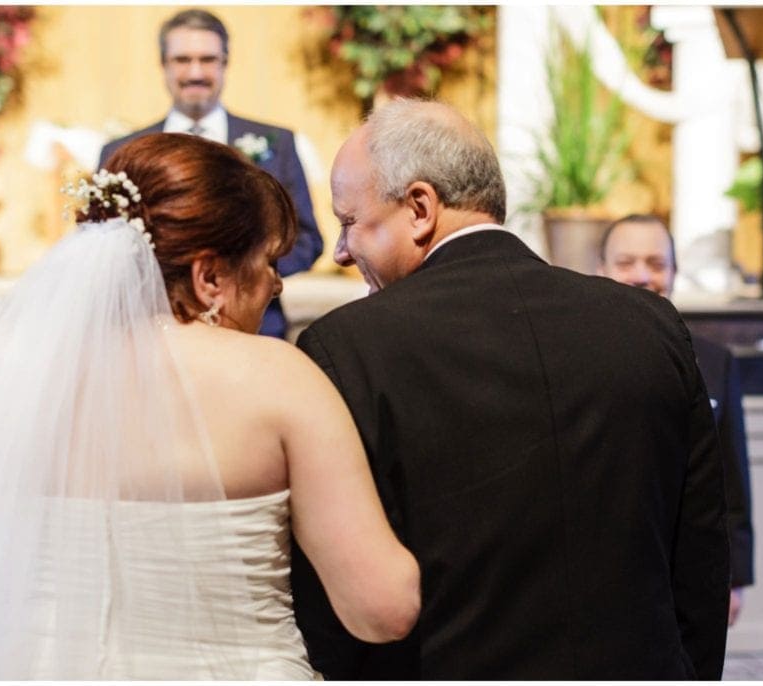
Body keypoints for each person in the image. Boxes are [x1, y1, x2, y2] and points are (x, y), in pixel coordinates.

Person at [0, 133, 419, 680]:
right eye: (268, 263)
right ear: (210, 276)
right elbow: (380, 610)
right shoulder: (278, 378)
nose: (274, 284)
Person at [289, 99, 730, 680]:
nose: (342, 251)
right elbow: (698, 554)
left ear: (420, 208)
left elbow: (332, 605)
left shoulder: (345, 348)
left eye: (349, 222)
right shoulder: (649, 325)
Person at [98, 8, 322, 339]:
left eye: (207, 59)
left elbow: (307, 240)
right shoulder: (124, 150)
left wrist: (241, 272)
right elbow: (105, 243)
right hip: (153, 329)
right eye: (182, 60)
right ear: (164, 66)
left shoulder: (277, 143)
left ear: (225, 64)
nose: (195, 72)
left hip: (255, 327)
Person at [597, 213, 755, 626]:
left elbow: (731, 478)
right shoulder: (571, 358)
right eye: (626, 262)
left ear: (673, 272)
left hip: (686, 565)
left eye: (656, 263)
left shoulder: (716, 361)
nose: (642, 275)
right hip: (600, 563)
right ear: (601, 271)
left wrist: (734, 577)